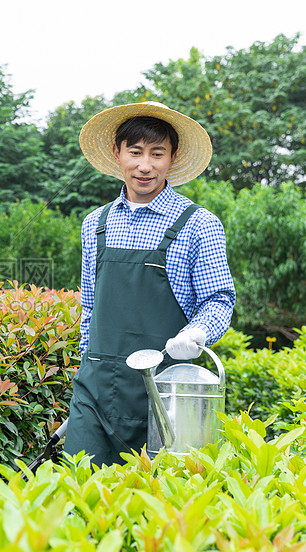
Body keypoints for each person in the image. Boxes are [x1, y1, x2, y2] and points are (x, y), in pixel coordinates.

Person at [63, 101, 235, 467]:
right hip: (94, 392)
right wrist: (84, 367)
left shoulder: (198, 224)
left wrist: (198, 334)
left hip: (166, 393)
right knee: (78, 494)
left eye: (157, 153)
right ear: (117, 153)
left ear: (171, 158)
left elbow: (219, 300)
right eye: (135, 152)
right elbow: (90, 306)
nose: (145, 165)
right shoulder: (96, 223)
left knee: (154, 509)